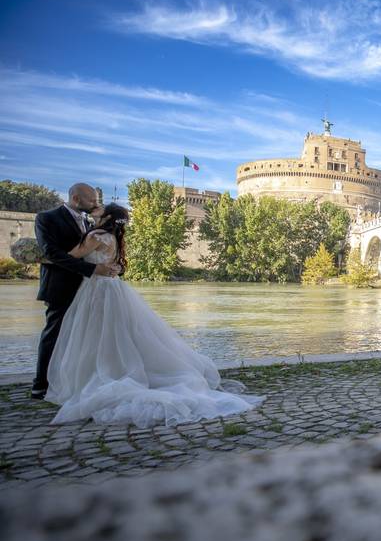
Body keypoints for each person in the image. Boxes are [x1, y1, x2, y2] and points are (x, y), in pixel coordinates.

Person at [44, 202, 263, 427]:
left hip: (97, 290)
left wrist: (42, 256)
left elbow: (72, 256)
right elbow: (116, 265)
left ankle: (101, 375)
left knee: (97, 336)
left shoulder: (97, 236)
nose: (95, 209)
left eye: (100, 209)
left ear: (108, 217)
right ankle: (118, 369)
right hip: (114, 288)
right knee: (117, 334)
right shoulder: (116, 238)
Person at [31, 183, 120, 400]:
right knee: (54, 333)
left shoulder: (93, 224)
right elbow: (52, 253)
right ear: (76, 198)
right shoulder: (47, 218)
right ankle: (41, 384)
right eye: (92, 200)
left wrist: (115, 267)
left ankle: (73, 381)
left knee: (83, 337)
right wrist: (93, 269)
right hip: (61, 285)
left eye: (97, 201)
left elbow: (103, 253)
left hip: (89, 289)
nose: (96, 204)